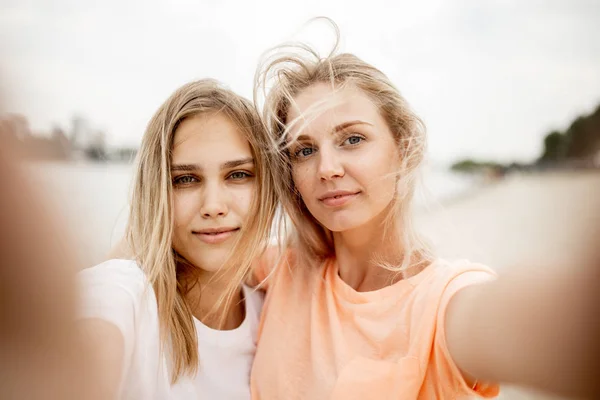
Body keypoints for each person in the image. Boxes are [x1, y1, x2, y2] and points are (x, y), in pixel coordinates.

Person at [249, 22, 600, 399]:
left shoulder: (441, 304)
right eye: (305, 150)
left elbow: (544, 325)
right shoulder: (280, 271)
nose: (327, 168)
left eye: (352, 139)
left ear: (404, 146)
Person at [77, 79, 277, 399]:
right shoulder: (127, 295)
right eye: (185, 179)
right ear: (156, 190)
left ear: (269, 186)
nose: (213, 206)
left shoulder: (269, 312)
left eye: (238, 174)